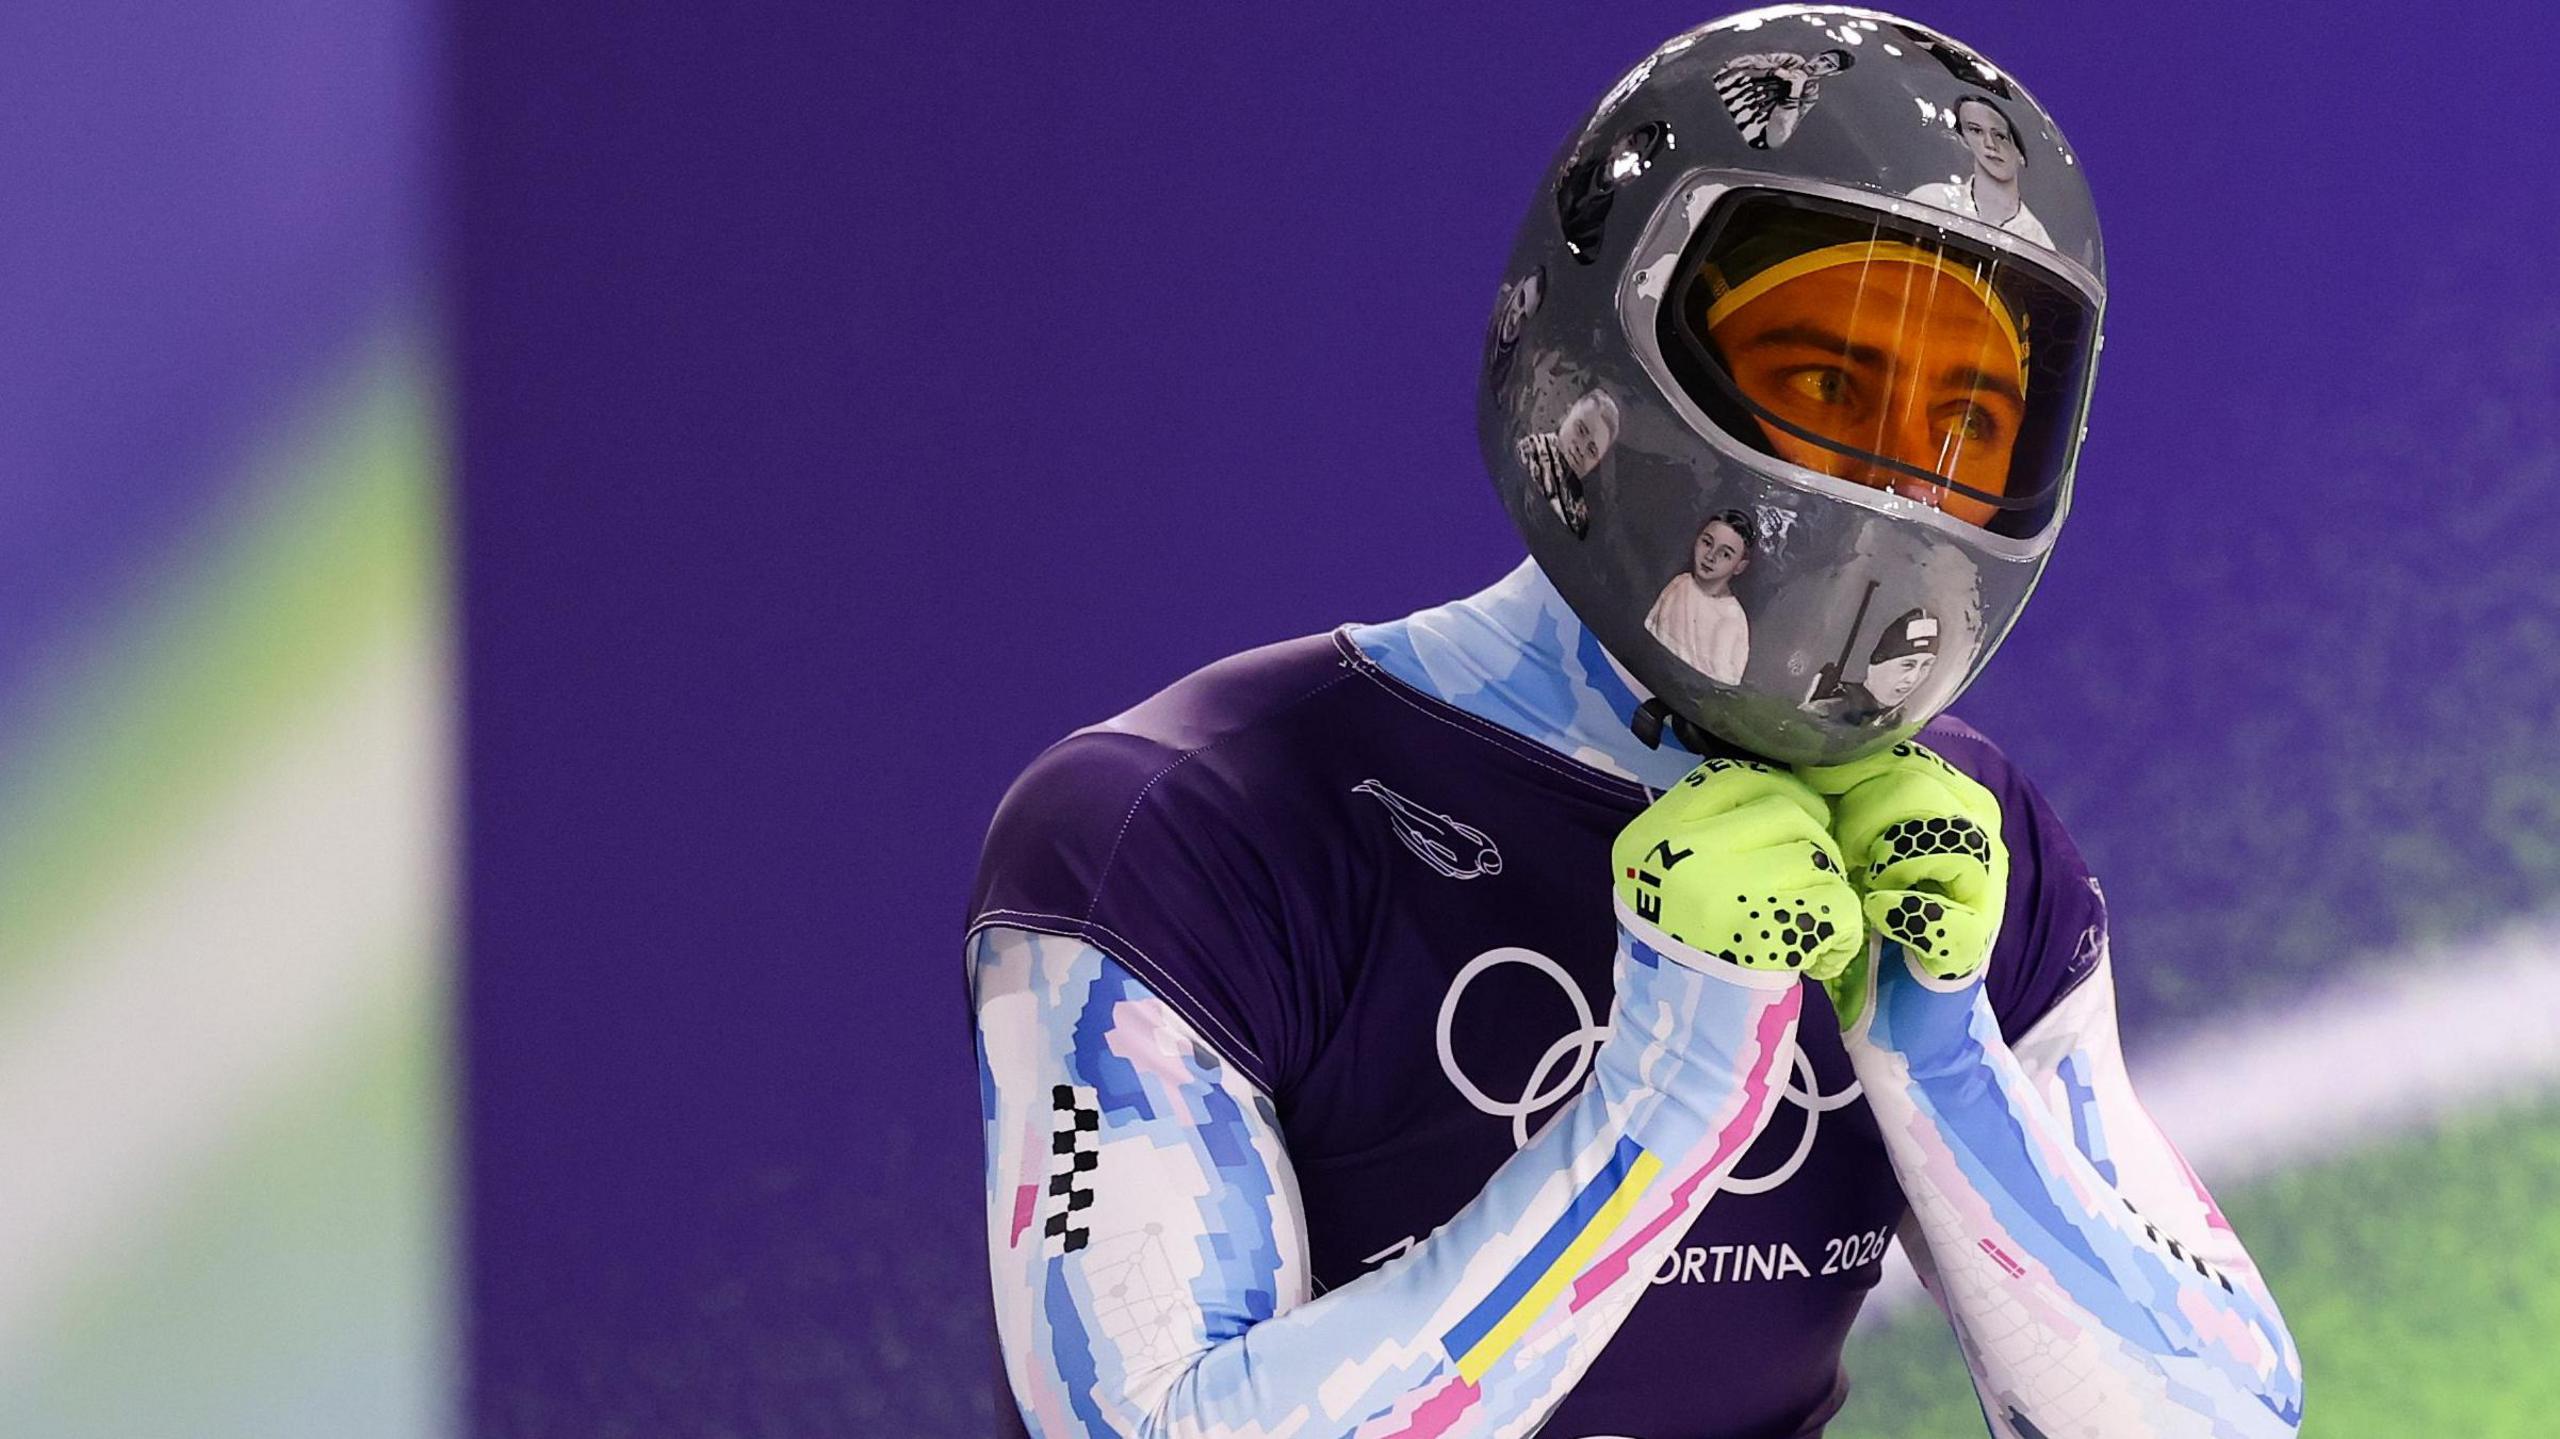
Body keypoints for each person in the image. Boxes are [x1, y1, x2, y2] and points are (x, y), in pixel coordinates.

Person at [970, 11, 2303, 1437]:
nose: (1902, 484)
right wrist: (1662, 1106)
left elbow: (2225, 1421)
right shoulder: (1176, 830)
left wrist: (1941, 1060)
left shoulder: (1960, 848)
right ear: (1601, 343)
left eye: (1968, 423)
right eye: (1825, 383)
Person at [1907, 95, 2055, 247]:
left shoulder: (2037, 240)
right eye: (1976, 131)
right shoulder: (1930, 202)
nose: (1989, 144)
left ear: (2021, 153)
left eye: (2000, 136)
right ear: (1964, 139)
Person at [1645, 510, 1756, 684]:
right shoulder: (1680, 583)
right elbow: (1651, 627)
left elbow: (1724, 679)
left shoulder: (1732, 619)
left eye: (1725, 554)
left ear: (1739, 566)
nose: (1710, 556)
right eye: (1707, 543)